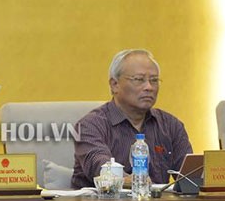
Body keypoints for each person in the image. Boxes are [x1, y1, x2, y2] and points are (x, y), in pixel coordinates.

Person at [71, 49, 192, 188]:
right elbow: (101, 167)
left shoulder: (171, 126)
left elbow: (188, 179)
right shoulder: (90, 125)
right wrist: (131, 181)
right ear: (114, 84)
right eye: (139, 80)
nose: (149, 87)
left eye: (154, 80)